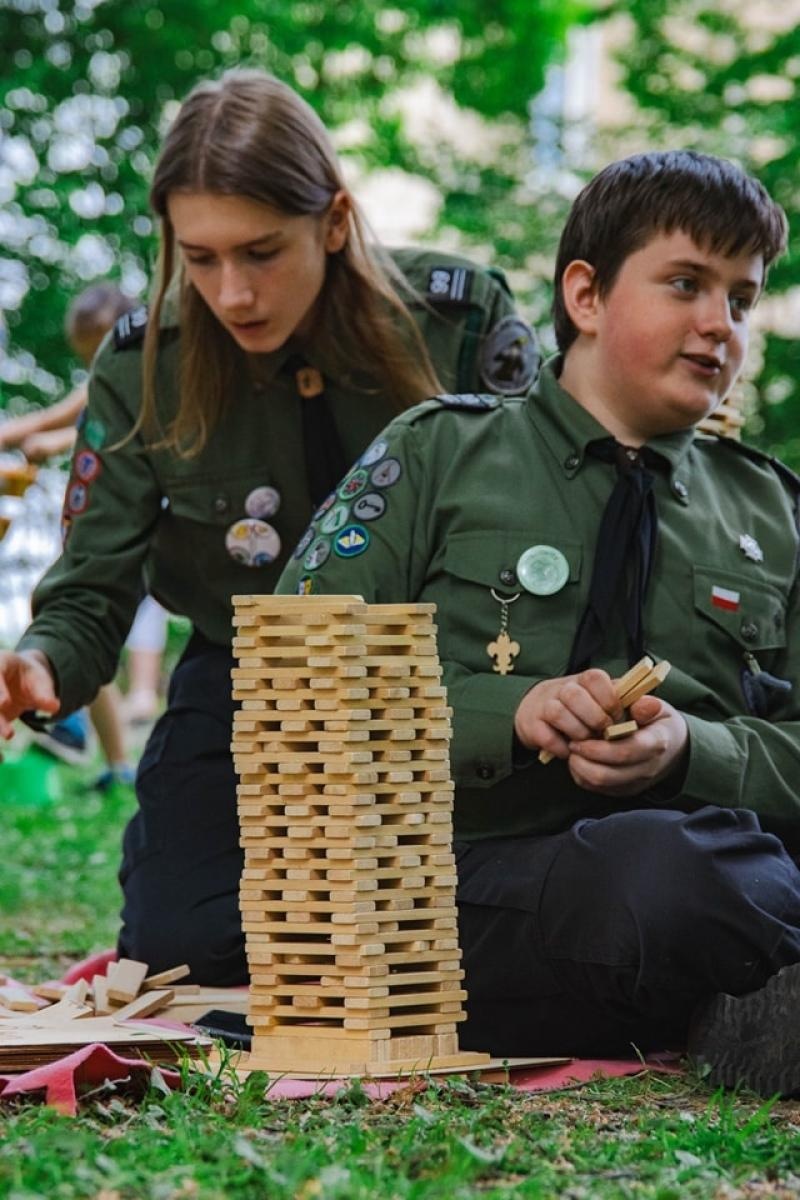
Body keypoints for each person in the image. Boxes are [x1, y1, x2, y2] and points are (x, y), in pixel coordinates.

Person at [277, 150, 800, 1098]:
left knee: (699, 869)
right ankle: (745, 992)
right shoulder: (441, 452)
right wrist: (508, 713)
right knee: (660, 874)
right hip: (468, 888)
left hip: (723, 868)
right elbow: (299, 685)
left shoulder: (769, 510)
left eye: (742, 300)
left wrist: (696, 749)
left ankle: (737, 991)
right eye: (686, 284)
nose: (718, 325)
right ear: (587, 295)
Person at [0, 71, 536, 979]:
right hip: (247, 676)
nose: (231, 292)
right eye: (198, 258)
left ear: (333, 221)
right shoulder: (142, 367)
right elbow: (94, 581)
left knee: (484, 917)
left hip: (444, 686)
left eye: (260, 252)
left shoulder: (456, 322)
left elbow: (546, 529)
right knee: (185, 943)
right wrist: (41, 662)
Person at [0, 284, 137, 785]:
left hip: (138, 538)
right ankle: (108, 755)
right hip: (94, 533)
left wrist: (56, 440)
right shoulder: (104, 379)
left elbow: (92, 427)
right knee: (78, 638)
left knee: (90, 635)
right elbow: (51, 417)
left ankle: (96, 743)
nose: (96, 363)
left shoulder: (139, 376)